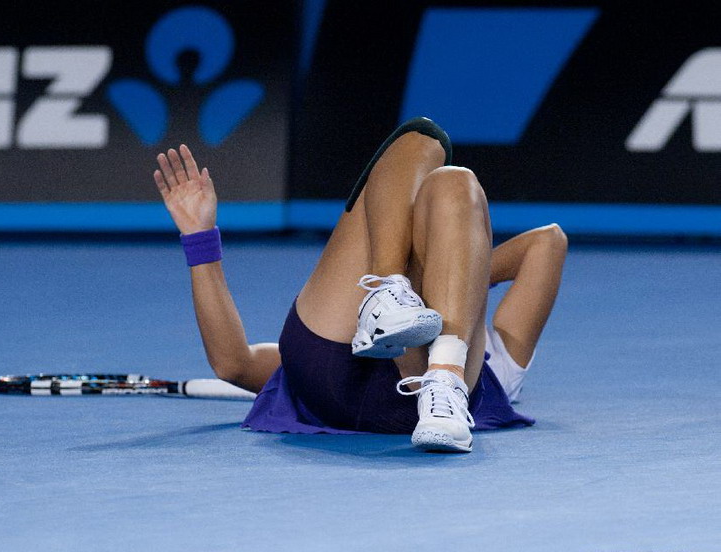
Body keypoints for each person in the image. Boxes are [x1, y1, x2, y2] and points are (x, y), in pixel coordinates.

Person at [154, 118, 567, 453]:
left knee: (452, 180)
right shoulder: (504, 367)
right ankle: (401, 311)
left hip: (337, 381)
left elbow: (234, 365)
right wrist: (455, 270)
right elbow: (546, 244)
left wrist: (447, 269)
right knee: (424, 144)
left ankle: (427, 347)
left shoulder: (503, 373)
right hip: (359, 355)